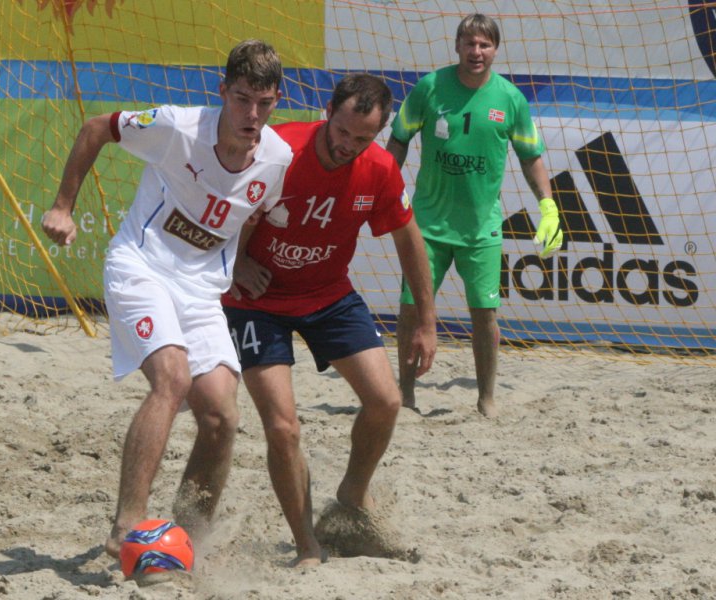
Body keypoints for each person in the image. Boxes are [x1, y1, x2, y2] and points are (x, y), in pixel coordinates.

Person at [41, 39, 294, 560]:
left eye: (265, 103)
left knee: (223, 418)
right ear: (223, 91)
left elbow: (253, 213)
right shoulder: (176, 127)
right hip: (142, 267)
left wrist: (242, 261)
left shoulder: (277, 156)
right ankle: (127, 527)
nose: (252, 115)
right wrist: (63, 207)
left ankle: (185, 540)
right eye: (243, 99)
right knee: (174, 380)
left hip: (202, 291)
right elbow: (96, 129)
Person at [221, 73, 437, 567]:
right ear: (328, 112)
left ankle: (352, 495)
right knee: (284, 428)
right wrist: (235, 265)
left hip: (328, 295)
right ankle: (307, 546)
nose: (348, 145)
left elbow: (409, 240)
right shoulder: (278, 151)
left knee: (386, 401)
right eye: (342, 132)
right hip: (256, 301)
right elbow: (220, 213)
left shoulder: (379, 168)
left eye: (363, 138)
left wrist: (426, 321)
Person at [386, 13, 563, 418]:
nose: (476, 51)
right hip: (426, 226)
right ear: (457, 47)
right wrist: (378, 189)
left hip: (482, 229)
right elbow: (398, 140)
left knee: (484, 315)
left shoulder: (510, 99)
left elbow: (531, 157)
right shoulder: (430, 87)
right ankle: (407, 395)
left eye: (484, 44)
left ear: (495, 50)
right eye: (469, 43)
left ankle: (486, 399)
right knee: (411, 309)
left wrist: (548, 206)